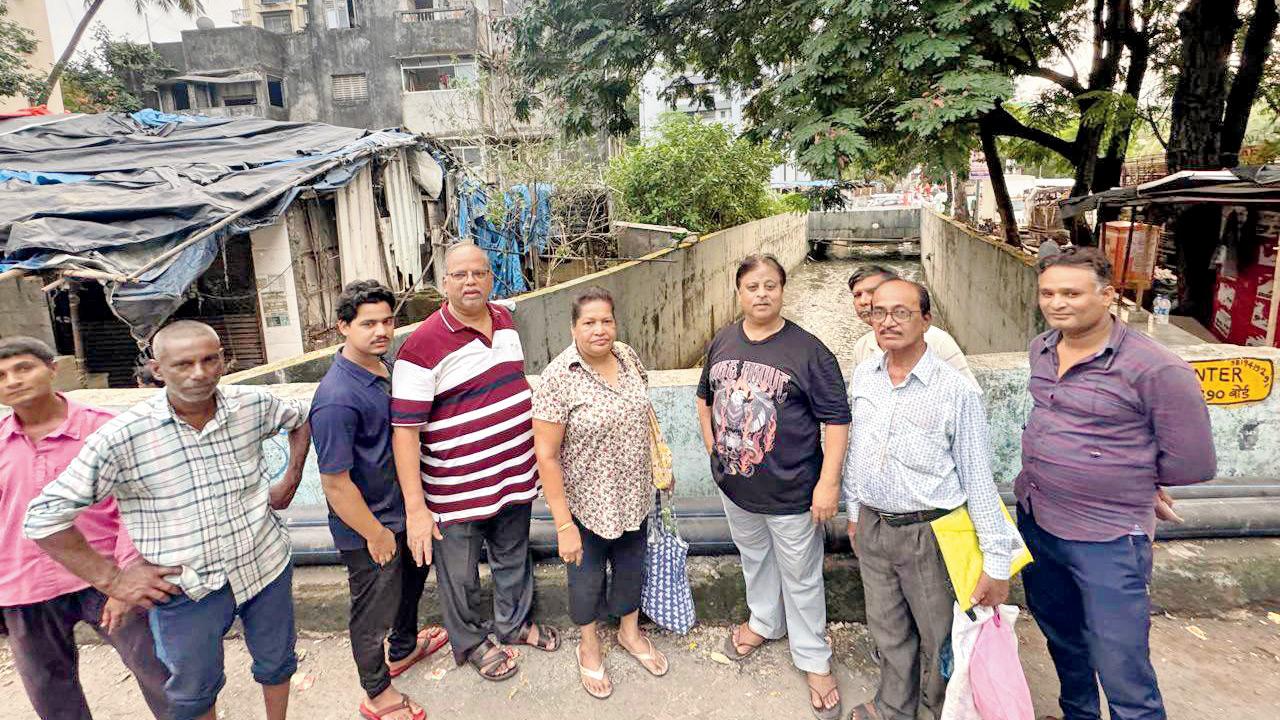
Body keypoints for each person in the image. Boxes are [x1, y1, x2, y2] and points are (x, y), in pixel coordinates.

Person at [24, 320, 312, 720]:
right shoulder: (123, 436)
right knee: (193, 690)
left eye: (209, 360)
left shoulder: (252, 405)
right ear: (158, 369)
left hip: (264, 563)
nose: (199, 373)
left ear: (223, 362)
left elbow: (299, 417)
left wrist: (290, 480)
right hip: (184, 586)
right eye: (183, 364)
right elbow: (43, 518)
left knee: (277, 661)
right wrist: (113, 580)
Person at [1019, 248, 1216, 720]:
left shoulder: (1155, 367)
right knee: (1063, 638)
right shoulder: (1042, 349)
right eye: (1048, 293)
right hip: (1038, 519)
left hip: (1107, 535)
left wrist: (1131, 479)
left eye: (1071, 292)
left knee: (1119, 658)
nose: (1057, 303)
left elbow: (1193, 462)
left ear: (1108, 295)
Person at [840, 280, 1023, 720]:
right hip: (873, 525)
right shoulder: (864, 377)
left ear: (926, 319)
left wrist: (997, 564)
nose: (887, 321)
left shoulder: (956, 391)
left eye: (901, 312)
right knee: (887, 627)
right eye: (879, 312)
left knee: (938, 635)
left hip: (931, 532)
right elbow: (855, 452)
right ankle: (892, 706)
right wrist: (853, 512)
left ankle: (934, 710)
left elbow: (979, 480)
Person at [390, 243, 560, 683]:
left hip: (514, 476)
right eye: (460, 275)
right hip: (456, 490)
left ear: (491, 278)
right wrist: (416, 509)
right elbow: (405, 432)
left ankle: (514, 624)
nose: (471, 282)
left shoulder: (504, 320)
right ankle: (469, 642)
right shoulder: (420, 347)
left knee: (512, 558)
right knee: (461, 577)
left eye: (479, 273)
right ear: (444, 282)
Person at [696, 253, 850, 720]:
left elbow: (837, 420)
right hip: (737, 487)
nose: (761, 294)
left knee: (802, 576)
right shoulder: (723, 339)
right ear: (738, 292)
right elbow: (704, 398)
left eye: (770, 285)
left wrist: (828, 484)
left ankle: (813, 657)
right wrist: (712, 451)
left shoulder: (809, 351)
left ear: (782, 291)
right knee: (754, 558)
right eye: (752, 286)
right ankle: (764, 620)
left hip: (792, 491)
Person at [0, 337, 170, 720]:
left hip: (106, 577)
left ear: (52, 369)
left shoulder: (106, 430)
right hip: (25, 584)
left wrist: (128, 578)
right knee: (49, 690)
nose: (12, 381)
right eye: (1, 375)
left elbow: (137, 505)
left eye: (23, 368)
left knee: (159, 672)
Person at [310, 281, 448, 720]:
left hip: (405, 512)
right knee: (372, 613)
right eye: (367, 323)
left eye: (387, 321)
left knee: (410, 586)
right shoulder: (336, 398)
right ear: (343, 327)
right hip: (371, 528)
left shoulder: (381, 368)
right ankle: (377, 693)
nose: (381, 330)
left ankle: (404, 649)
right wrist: (376, 534)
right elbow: (335, 483)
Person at [532, 287, 669, 700]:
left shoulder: (627, 357)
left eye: (606, 320)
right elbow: (547, 456)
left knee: (630, 567)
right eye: (589, 322)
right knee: (586, 578)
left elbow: (644, 413)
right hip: (586, 505)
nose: (599, 329)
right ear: (573, 327)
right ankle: (589, 643)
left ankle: (629, 632)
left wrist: (660, 463)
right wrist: (563, 525)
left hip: (634, 493)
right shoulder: (559, 378)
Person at [846, 266, 979, 389]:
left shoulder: (937, 341)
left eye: (872, 292)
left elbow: (968, 394)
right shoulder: (862, 346)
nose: (863, 301)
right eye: (857, 295)